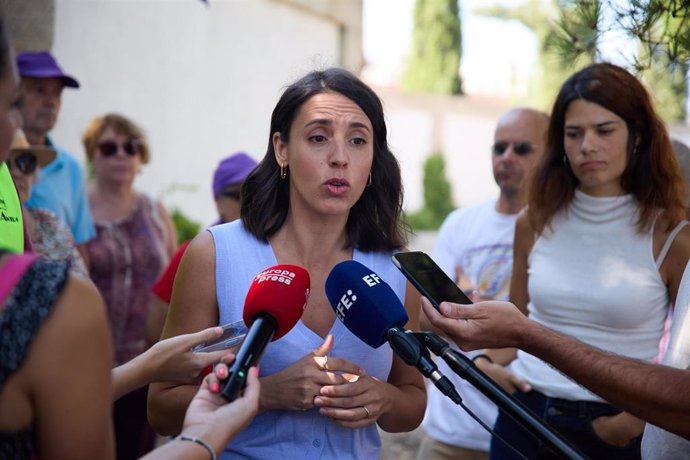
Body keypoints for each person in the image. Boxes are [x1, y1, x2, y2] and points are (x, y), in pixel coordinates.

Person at [148, 68, 427, 459]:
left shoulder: (396, 270)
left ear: (373, 161)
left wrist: (383, 399)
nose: (339, 158)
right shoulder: (215, 254)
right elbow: (161, 408)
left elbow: (412, 403)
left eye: (358, 141)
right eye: (318, 138)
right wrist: (265, 394)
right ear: (281, 149)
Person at [480, 62, 690, 459]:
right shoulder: (534, 220)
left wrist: (629, 422)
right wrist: (486, 361)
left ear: (638, 136)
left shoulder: (672, 236)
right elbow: (518, 322)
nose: (586, 146)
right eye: (573, 134)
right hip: (522, 413)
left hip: (612, 426)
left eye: (604, 130)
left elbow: (683, 361)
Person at [416, 108, 548, 460]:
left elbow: (551, 328)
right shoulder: (460, 224)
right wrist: (462, 311)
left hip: (524, 430)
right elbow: (424, 316)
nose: (507, 157)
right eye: (499, 148)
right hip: (450, 430)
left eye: (522, 149)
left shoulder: (559, 230)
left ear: (550, 154)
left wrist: (465, 308)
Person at [83, 113, 177, 459]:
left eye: (131, 146)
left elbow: (170, 282)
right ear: (93, 155)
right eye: (109, 147)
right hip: (88, 365)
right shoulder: (77, 210)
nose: (122, 154)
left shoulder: (154, 211)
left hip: (147, 362)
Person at [146, 151, 258, 344]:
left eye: (256, 190)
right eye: (238, 194)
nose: (249, 201)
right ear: (218, 202)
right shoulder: (199, 252)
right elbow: (154, 328)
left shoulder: (276, 248)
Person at [15, 51, 95, 260]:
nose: (51, 101)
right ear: (12, 95)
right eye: (39, 90)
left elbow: (80, 252)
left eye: (57, 92)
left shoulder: (70, 168)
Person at [6, 129, 88, 276]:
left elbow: (83, 281)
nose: (16, 173)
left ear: (34, 174)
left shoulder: (50, 223)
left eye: (25, 162)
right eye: (5, 164)